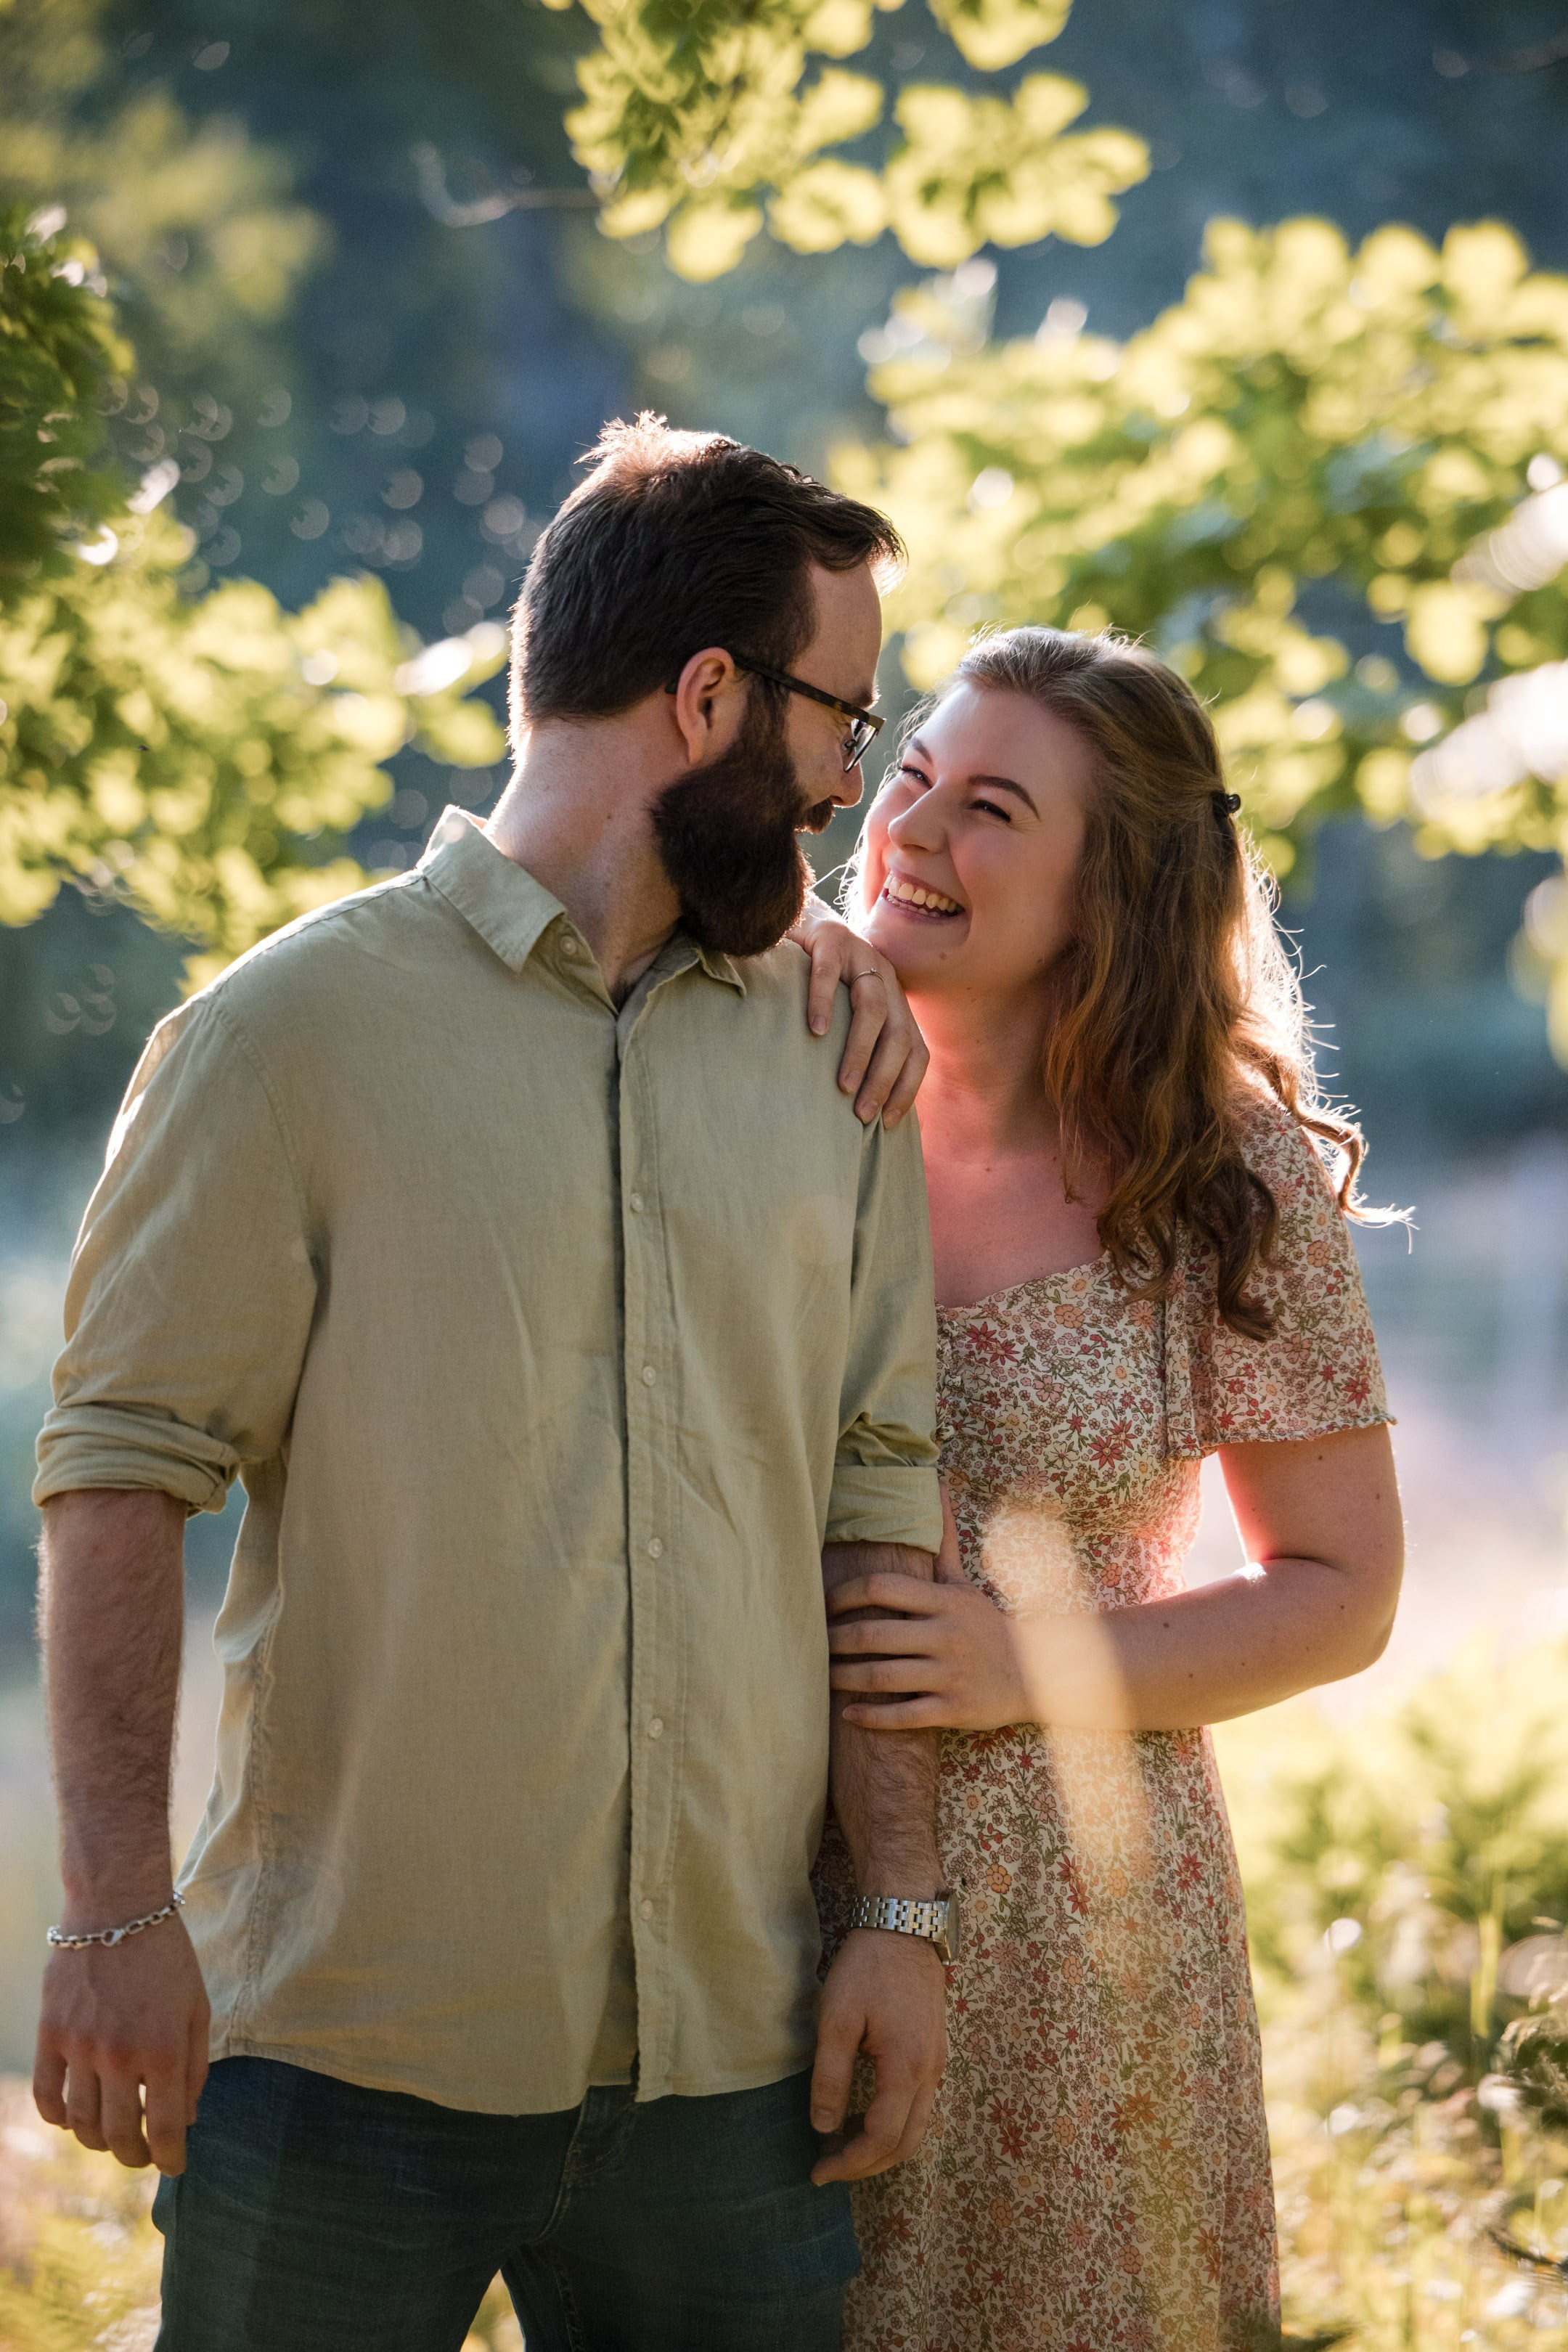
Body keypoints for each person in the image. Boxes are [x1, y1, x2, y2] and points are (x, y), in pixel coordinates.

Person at [30, 417, 954, 2352]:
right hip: (338, 2071)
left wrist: (904, 1912)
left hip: (736, 2074)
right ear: (710, 698)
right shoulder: (283, 1037)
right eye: (840, 727)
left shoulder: (840, 1063)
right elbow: (120, 1474)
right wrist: (114, 1913)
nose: (847, 791)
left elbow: (879, 1499)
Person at [805, 625, 1405, 2352]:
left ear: (1112, 895)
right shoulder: (762, 1075)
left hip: (1076, 1936)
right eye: (911, 772)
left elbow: (1342, 1593)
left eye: (991, 808)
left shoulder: (1224, 1172)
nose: (912, 829)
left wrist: (1024, 1669)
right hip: (735, 1885)